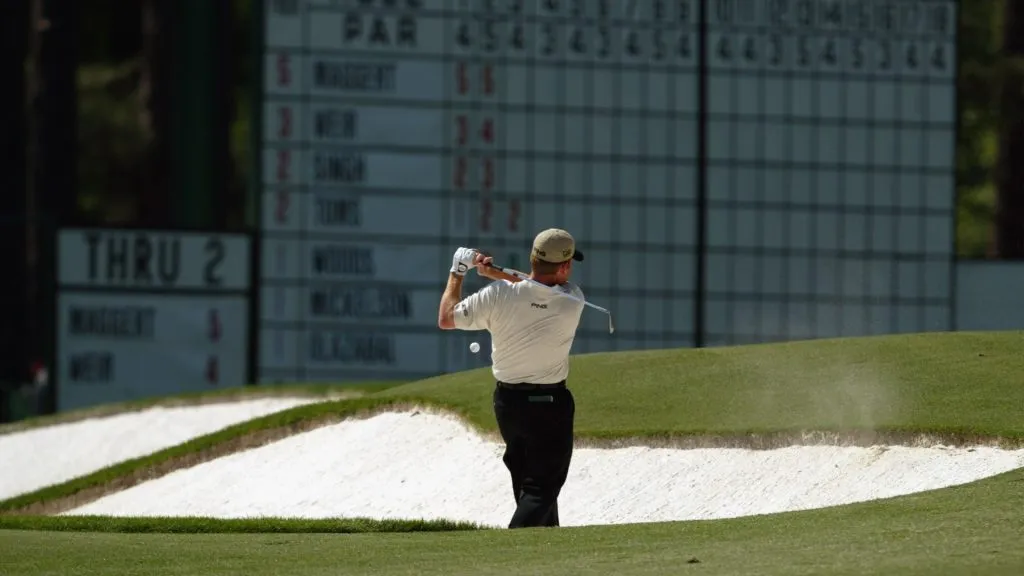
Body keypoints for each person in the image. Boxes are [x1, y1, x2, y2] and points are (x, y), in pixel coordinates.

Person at [437, 228, 586, 529]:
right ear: (565, 267)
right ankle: (508, 550)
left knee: (529, 488)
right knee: (540, 490)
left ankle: (544, 557)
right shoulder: (573, 300)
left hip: (509, 406)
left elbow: (446, 318)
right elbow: (536, 289)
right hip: (551, 406)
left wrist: (458, 272)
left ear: (533, 257)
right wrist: (494, 273)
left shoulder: (497, 295)